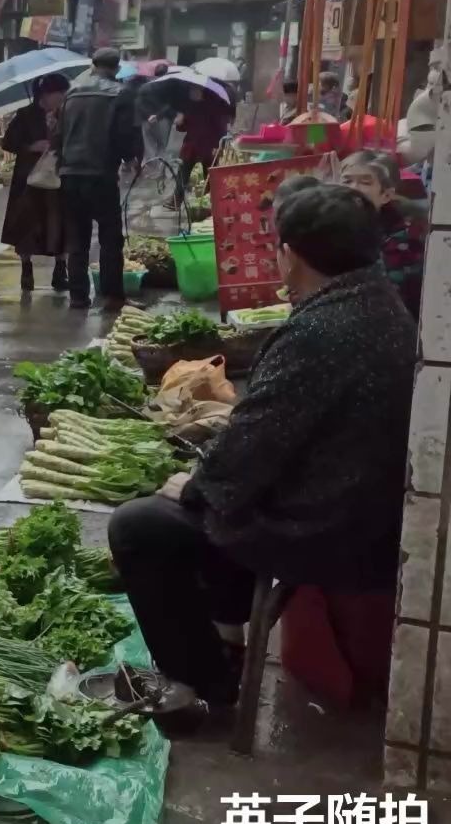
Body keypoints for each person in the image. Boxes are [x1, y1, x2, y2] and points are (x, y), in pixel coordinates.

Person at [106, 184, 415, 726]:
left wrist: (196, 485)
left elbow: (248, 450)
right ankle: (226, 638)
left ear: (291, 255)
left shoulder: (318, 331)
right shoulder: (381, 304)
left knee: (142, 524)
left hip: (327, 528)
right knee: (218, 502)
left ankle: (199, 688)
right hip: (368, 512)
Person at [53, 47, 140, 310]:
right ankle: (112, 296)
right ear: (116, 68)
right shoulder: (121, 93)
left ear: (93, 65)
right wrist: (132, 158)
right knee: (110, 238)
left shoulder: (71, 93)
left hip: (69, 174)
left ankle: (78, 297)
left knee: (77, 238)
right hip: (100, 174)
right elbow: (127, 133)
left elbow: (58, 136)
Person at [0, 74, 70, 293]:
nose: (62, 99)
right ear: (45, 95)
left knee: (59, 223)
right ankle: (26, 269)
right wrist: (32, 146)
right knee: (26, 225)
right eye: (58, 95)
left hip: (58, 178)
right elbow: (9, 142)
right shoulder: (25, 115)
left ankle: (61, 270)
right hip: (29, 178)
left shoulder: (66, 115)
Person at [341, 149, 425, 318]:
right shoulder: (333, 228)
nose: (353, 189)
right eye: (347, 181)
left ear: (386, 195)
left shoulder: (403, 241)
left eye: (365, 182)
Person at [175, 88, 230, 203]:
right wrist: (180, 122)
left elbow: (221, 128)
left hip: (209, 145)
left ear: (201, 92)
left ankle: (211, 200)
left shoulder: (214, 106)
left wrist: (218, 145)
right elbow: (183, 128)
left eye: (194, 90)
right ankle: (176, 200)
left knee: (209, 175)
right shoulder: (189, 107)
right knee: (183, 171)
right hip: (191, 145)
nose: (191, 93)